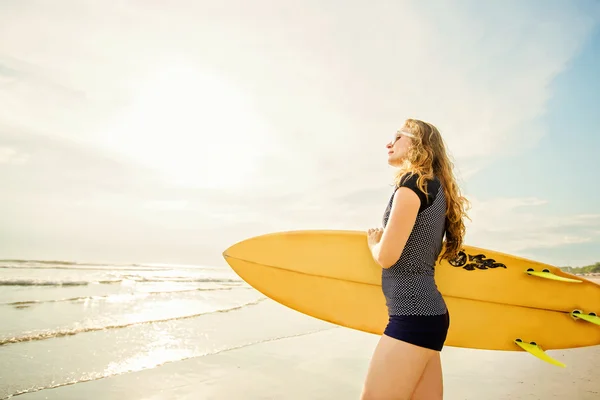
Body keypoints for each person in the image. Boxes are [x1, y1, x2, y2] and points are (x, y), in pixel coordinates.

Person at [361, 118, 469, 400]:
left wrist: (374, 244)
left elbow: (387, 257)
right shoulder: (436, 189)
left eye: (397, 137)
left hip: (413, 316)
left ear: (417, 144)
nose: (389, 143)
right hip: (429, 316)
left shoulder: (412, 185)